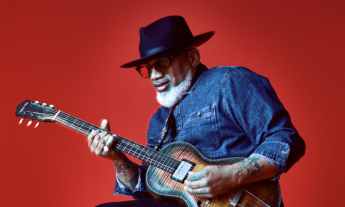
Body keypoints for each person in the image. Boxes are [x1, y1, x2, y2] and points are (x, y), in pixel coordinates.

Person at [88, 16, 305, 207]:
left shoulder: (229, 82)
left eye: (161, 64)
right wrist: (117, 158)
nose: (154, 76)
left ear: (192, 58)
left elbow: (285, 140)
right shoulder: (159, 121)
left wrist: (230, 176)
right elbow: (151, 191)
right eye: (147, 69)